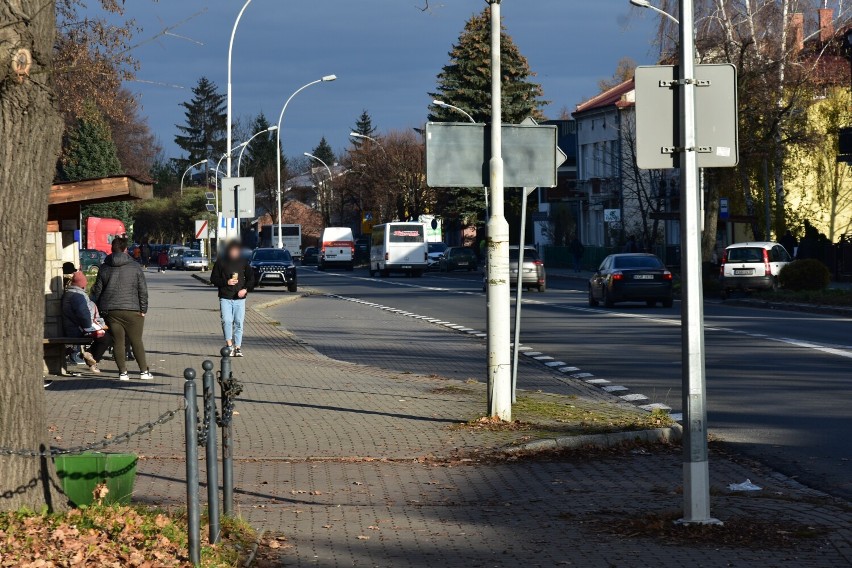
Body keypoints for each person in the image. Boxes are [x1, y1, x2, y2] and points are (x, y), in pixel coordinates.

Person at [91, 237, 152, 381]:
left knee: (118, 341)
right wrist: (143, 309)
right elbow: (142, 290)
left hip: (111, 310)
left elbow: (97, 290)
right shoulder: (135, 267)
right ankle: (144, 371)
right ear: (125, 249)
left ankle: (123, 373)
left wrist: (99, 308)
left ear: (111, 249)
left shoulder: (105, 267)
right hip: (133, 310)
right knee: (136, 340)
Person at [210, 240, 255, 357]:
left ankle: (238, 347)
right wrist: (226, 282)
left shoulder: (243, 263)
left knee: (239, 322)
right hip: (225, 297)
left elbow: (251, 279)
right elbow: (213, 279)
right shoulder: (221, 262)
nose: (234, 252)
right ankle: (229, 345)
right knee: (227, 321)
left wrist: (245, 289)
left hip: (240, 299)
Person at [62, 270, 112, 373]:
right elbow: (83, 314)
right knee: (105, 338)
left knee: (104, 336)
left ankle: (89, 356)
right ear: (82, 284)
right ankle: (91, 358)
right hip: (77, 330)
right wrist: (89, 327)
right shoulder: (77, 296)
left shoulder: (72, 293)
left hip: (73, 327)